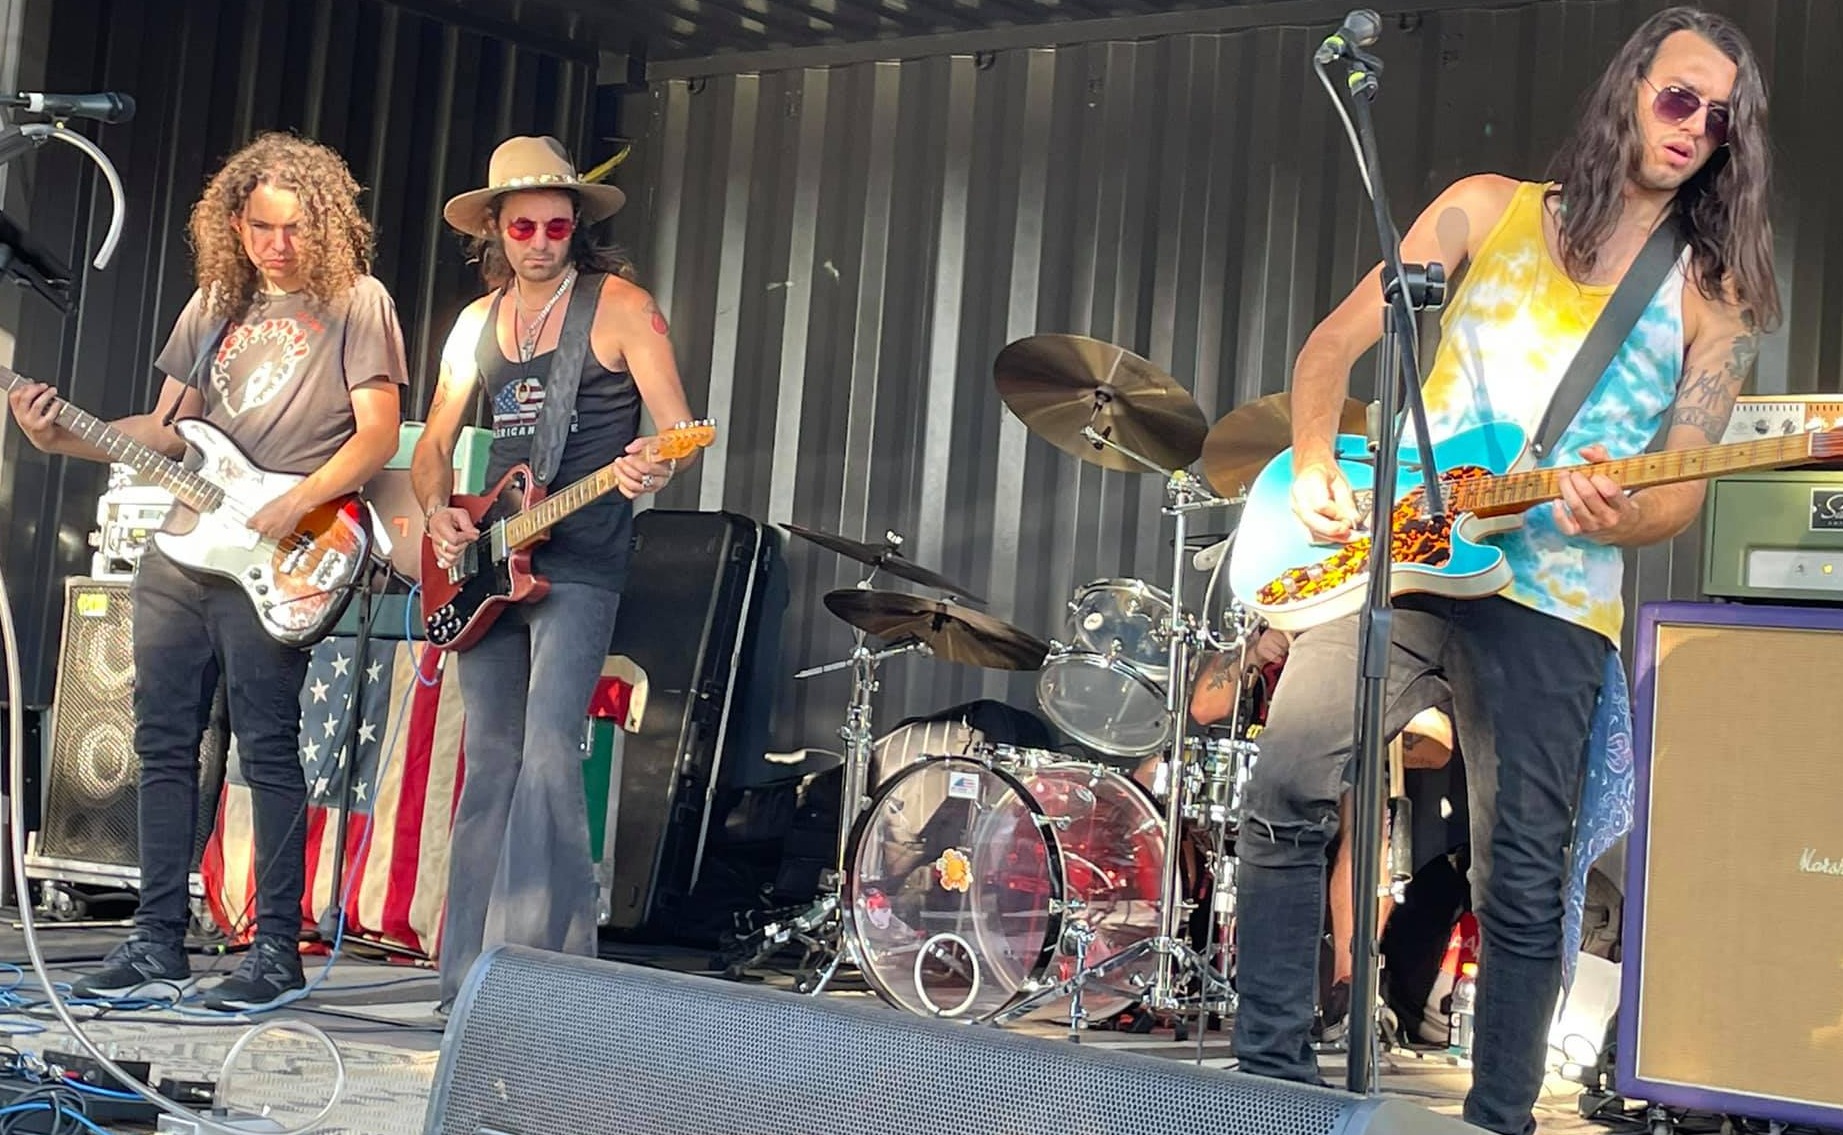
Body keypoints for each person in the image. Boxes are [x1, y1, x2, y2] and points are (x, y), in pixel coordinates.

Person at [1228, 9, 1776, 1133]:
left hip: (1555, 598)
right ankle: (1265, 1080)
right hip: (1411, 559)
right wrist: (1324, 450)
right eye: (1679, 98)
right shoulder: (1485, 208)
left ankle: (1497, 1119)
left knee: (1522, 876)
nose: (1694, 130)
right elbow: (1334, 343)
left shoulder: (1708, 294)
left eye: (1719, 121)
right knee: (1286, 791)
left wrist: (1617, 514)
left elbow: (1677, 493)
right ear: (1630, 87)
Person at [5, 133, 409, 1009]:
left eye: (295, 227)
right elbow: (166, 429)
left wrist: (299, 498)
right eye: (261, 226)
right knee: (159, 742)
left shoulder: (358, 302)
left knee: (266, 748)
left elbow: (378, 433)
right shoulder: (214, 305)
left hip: (287, 548)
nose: (277, 244)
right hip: (186, 548)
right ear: (236, 222)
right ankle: (155, 941)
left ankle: (275, 951)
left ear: (326, 223)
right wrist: (61, 434)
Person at [412, 135, 698, 1011]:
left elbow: (678, 429)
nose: (541, 240)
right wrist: (439, 515)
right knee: (488, 758)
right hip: (492, 556)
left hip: (583, 557)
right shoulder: (475, 323)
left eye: (557, 225)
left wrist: (656, 463)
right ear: (495, 230)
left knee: (547, 754)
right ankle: (465, 978)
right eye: (525, 224)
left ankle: (557, 980)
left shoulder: (620, 307)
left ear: (578, 227)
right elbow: (430, 444)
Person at [1188, 632, 1456, 1036]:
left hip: (1329, 769)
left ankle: (1348, 991)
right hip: (1246, 768)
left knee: (1366, 799)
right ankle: (1150, 957)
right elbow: (1204, 709)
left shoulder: (1351, 642)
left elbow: (1437, 748)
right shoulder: (1266, 624)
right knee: (1156, 776)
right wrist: (1256, 652)